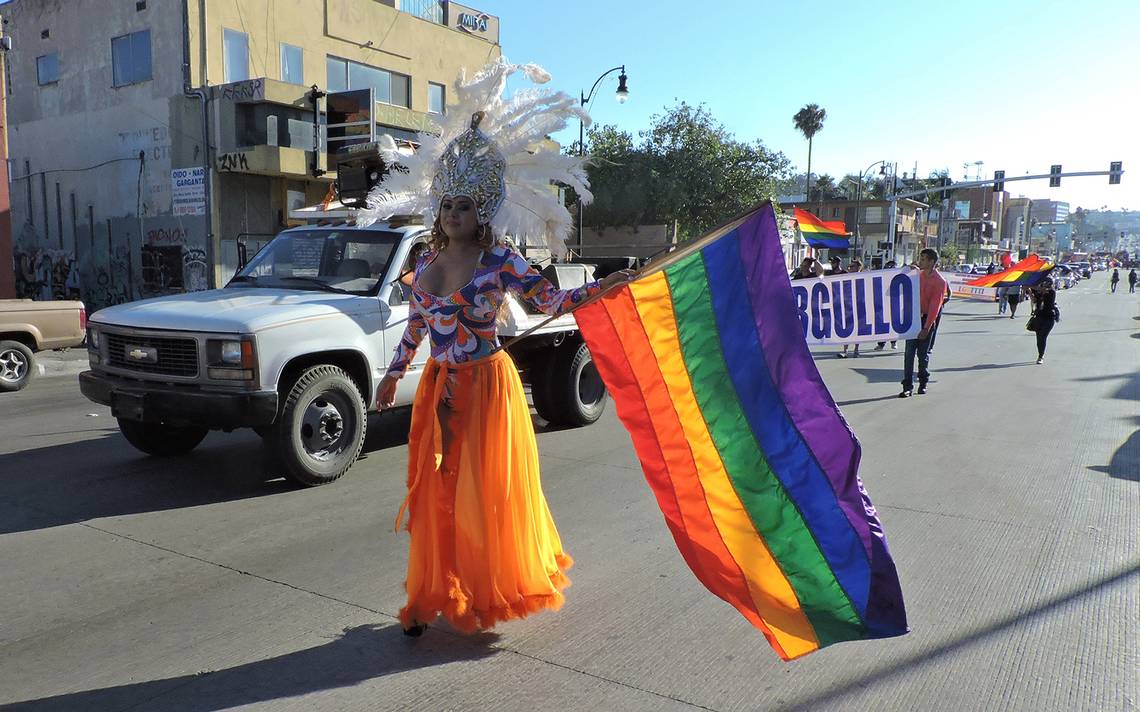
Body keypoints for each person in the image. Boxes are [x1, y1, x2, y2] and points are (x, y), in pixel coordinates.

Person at [370, 62, 635, 637]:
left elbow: (547, 301)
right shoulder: (426, 263)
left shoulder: (500, 262)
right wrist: (393, 375)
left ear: (483, 209)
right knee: (436, 488)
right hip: (439, 388)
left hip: (488, 389)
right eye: (446, 205)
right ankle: (431, 589)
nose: (453, 214)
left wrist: (602, 287)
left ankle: (485, 588)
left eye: (463, 206)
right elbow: (415, 328)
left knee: (480, 493)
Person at [899, 248, 948, 398]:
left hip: (926, 320)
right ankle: (907, 386)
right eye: (920, 259)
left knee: (922, 354)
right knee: (908, 353)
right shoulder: (916, 276)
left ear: (932, 262)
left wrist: (926, 327)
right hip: (913, 319)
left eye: (923, 259)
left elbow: (935, 306)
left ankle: (923, 381)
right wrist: (907, 270)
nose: (920, 262)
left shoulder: (939, 282)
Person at [1028, 278, 1058, 364]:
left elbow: (1042, 289)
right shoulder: (1039, 292)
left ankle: (1041, 356)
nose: (1043, 284)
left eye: (1044, 283)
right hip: (1039, 316)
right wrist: (1029, 291)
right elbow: (1034, 301)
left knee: (1042, 336)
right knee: (1038, 338)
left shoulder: (1051, 291)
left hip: (1049, 317)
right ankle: (1040, 354)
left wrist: (1030, 286)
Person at [838, 259, 863, 358]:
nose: (850, 268)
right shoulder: (846, 278)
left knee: (858, 328)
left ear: (858, 267)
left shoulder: (863, 277)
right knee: (847, 327)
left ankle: (856, 349)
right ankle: (845, 350)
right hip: (848, 306)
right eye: (849, 266)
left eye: (852, 266)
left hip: (860, 305)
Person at [874, 260, 899, 351]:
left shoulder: (898, 279)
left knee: (894, 323)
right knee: (883, 324)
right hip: (883, 304)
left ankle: (893, 342)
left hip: (894, 304)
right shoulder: (882, 277)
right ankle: (881, 344)